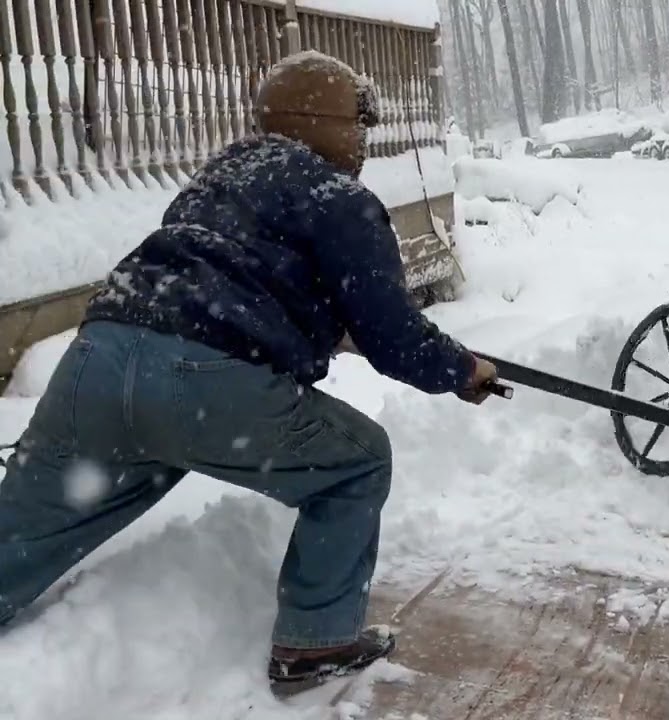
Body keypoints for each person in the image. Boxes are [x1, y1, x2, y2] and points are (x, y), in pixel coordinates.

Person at [0, 50, 498, 690]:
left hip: (99, 354)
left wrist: (311, 326)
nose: (363, 141)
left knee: (32, 524)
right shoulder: (339, 197)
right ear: (329, 123)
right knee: (358, 463)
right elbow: (395, 338)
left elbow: (222, 274)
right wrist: (462, 370)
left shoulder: (217, 178)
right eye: (359, 124)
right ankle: (315, 645)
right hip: (201, 379)